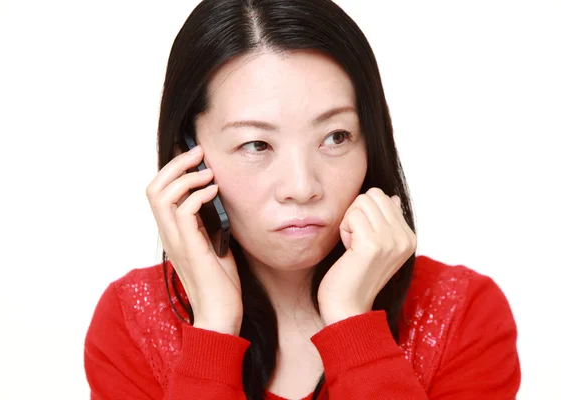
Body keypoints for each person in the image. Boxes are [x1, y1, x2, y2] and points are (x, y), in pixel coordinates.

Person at [83, 0, 521, 399]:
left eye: (335, 137)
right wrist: (213, 328)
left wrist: (352, 323)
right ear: (189, 158)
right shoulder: (133, 322)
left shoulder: (462, 314)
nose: (302, 185)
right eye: (256, 145)